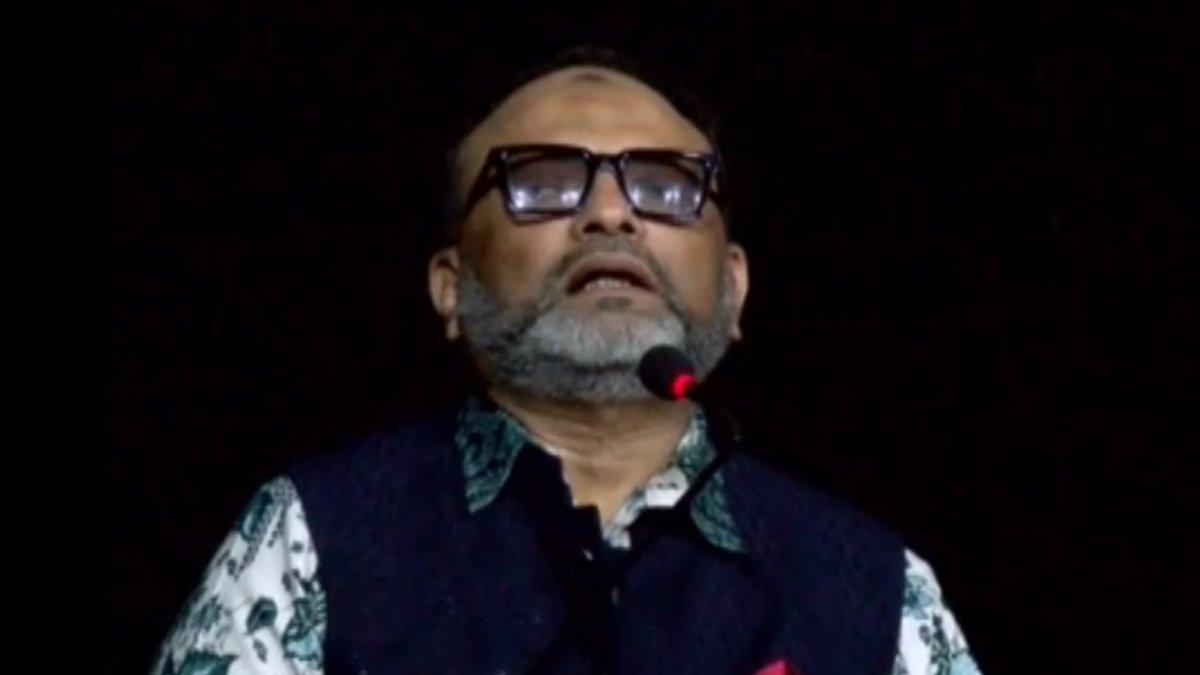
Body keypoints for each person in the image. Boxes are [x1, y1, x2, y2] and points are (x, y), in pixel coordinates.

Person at [150, 46, 982, 675]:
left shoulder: (870, 584)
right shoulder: (316, 537)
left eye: (665, 186)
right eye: (544, 182)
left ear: (734, 289)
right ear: (450, 284)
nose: (610, 214)